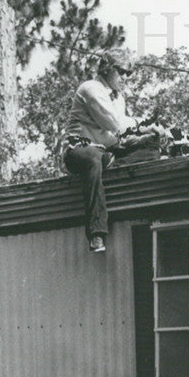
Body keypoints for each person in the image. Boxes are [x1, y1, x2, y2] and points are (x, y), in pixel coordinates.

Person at [63, 49, 162, 253]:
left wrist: (149, 134)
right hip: (80, 149)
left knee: (151, 144)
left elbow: (120, 135)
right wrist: (143, 124)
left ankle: (115, 174)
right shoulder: (91, 89)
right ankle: (96, 233)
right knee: (92, 159)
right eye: (122, 71)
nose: (126, 77)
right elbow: (113, 123)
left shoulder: (118, 98)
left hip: (107, 151)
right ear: (108, 68)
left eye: (129, 74)